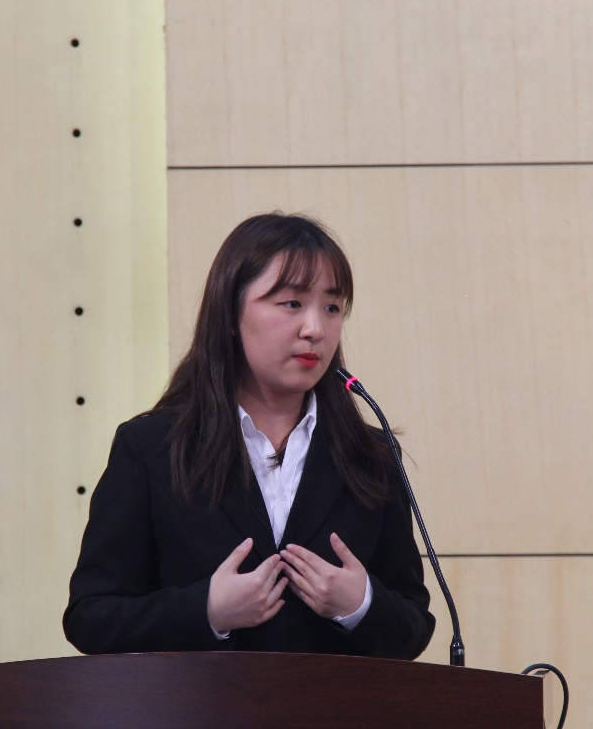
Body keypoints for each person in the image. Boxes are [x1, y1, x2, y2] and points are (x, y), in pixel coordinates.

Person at [63, 213, 434, 660]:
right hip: (199, 706)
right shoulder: (151, 447)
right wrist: (207, 611)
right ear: (230, 314)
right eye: (291, 303)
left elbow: (414, 624)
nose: (315, 329)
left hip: (333, 706)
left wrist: (360, 606)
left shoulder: (370, 454)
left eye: (332, 308)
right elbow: (91, 617)